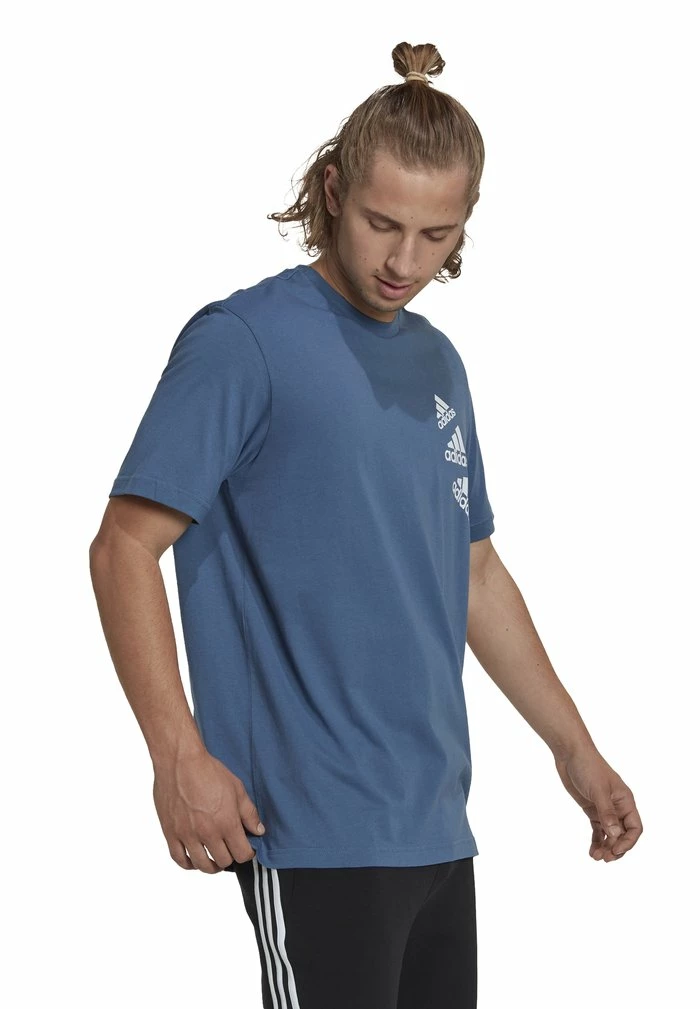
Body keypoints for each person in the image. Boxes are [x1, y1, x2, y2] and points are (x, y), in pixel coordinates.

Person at [89, 40, 643, 1009]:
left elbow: (473, 574)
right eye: (383, 223)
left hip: (435, 823)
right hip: (310, 824)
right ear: (334, 189)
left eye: (435, 235)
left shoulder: (438, 365)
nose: (404, 262)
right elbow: (123, 546)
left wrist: (574, 749)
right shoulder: (243, 342)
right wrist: (176, 753)